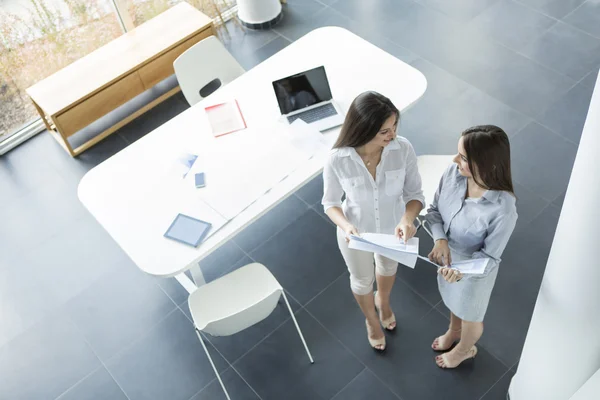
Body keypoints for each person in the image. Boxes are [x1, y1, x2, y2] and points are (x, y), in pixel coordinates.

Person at [322, 91, 424, 351]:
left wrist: (407, 219)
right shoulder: (338, 159)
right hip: (356, 234)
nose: (392, 136)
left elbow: (414, 195)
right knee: (361, 280)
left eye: (394, 127)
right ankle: (371, 322)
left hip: (393, 230)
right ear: (363, 130)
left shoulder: (403, 149)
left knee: (388, 269)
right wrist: (346, 227)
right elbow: (330, 203)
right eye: (384, 132)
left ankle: (384, 303)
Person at [426, 125, 518, 368]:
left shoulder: (503, 209)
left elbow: (490, 257)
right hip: (447, 259)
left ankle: (465, 350)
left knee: (470, 314)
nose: (455, 160)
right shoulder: (452, 173)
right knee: (453, 302)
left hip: (475, 271)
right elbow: (434, 210)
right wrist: (440, 239)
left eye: (464, 158)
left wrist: (461, 271)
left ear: (484, 163)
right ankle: (454, 331)